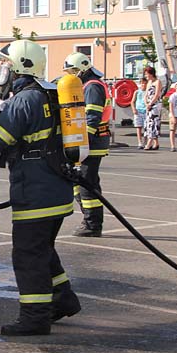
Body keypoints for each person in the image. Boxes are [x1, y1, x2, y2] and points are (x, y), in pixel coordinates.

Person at [0, 40, 80, 336]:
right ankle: (62, 298)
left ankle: (35, 317)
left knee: (27, 255)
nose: (2, 70)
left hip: (35, 190)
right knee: (42, 249)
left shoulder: (24, 100)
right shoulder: (49, 93)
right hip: (55, 189)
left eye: (6, 64)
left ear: (21, 66)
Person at [62, 52, 110, 238]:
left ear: (81, 69)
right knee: (78, 181)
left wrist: (83, 140)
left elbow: (92, 117)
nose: (70, 75)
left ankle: (92, 224)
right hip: (88, 141)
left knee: (86, 183)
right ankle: (89, 219)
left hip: (93, 141)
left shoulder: (92, 87)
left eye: (72, 71)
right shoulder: (88, 85)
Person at [143, 66, 163, 150]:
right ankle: (156, 142)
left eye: (147, 74)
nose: (146, 76)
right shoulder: (149, 82)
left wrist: (151, 103)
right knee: (148, 122)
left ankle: (149, 142)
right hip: (148, 105)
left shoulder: (157, 82)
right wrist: (146, 103)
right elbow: (146, 94)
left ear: (151, 74)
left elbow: (157, 94)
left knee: (153, 122)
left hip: (155, 104)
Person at [133, 78, 148, 149]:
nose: (143, 85)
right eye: (142, 83)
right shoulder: (137, 92)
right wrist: (134, 109)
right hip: (138, 111)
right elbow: (132, 101)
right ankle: (140, 142)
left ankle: (145, 142)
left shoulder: (147, 92)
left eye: (145, 83)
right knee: (138, 127)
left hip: (145, 111)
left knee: (146, 127)